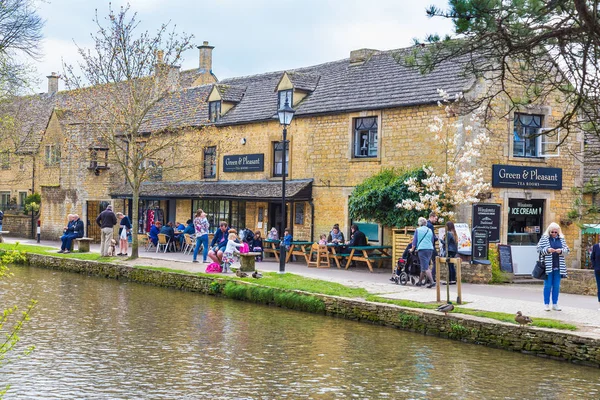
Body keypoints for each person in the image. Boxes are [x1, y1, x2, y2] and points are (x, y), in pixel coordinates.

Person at [537, 222, 569, 311]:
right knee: (547, 285)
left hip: (558, 266)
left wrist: (561, 251)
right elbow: (538, 249)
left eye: (556, 232)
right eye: (552, 232)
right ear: (549, 232)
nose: (554, 234)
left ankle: (555, 304)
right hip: (548, 266)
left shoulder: (561, 239)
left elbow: (567, 250)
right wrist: (547, 250)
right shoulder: (544, 239)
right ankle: (546, 304)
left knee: (556, 286)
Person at [412, 217, 436, 288]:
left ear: (419, 223)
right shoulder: (430, 230)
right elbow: (432, 240)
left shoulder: (418, 230)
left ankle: (432, 282)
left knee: (425, 267)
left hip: (422, 249)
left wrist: (412, 249)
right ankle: (419, 282)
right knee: (424, 266)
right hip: (430, 249)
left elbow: (414, 241)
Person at [427, 212, 439, 281]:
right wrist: (437, 238)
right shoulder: (430, 225)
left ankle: (427, 278)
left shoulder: (425, 224)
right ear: (431, 217)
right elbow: (432, 237)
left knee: (427, 263)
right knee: (436, 261)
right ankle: (432, 278)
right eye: (435, 218)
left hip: (426, 247)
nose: (436, 220)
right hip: (431, 246)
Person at [590, 239, 600, 311]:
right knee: (599, 288)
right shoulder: (596, 246)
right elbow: (592, 257)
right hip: (598, 270)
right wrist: (595, 266)